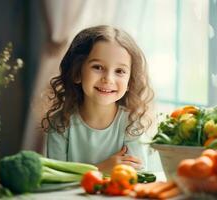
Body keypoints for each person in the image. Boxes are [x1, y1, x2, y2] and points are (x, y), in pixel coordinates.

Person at [42, 25, 154, 173]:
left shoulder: (132, 125)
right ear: (77, 73)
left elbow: (138, 179)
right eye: (98, 67)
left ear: (130, 82)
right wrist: (100, 169)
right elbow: (56, 182)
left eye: (119, 71)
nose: (108, 79)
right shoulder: (60, 125)